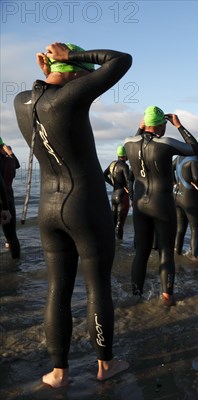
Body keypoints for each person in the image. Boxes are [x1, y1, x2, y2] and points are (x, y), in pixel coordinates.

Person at [13, 42, 130, 387]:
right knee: (98, 287)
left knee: (57, 289)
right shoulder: (73, 97)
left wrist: (51, 67)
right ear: (77, 75)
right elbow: (121, 60)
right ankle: (105, 366)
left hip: (48, 207)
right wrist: (72, 59)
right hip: (85, 203)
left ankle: (57, 373)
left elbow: (47, 89)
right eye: (83, 75)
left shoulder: (22, 101)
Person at [125, 106, 198, 306]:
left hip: (140, 204)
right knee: (166, 251)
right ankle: (167, 297)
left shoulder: (128, 143)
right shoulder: (165, 143)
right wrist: (179, 126)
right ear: (160, 124)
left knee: (141, 252)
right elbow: (194, 149)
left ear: (144, 122)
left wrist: (140, 128)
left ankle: (135, 296)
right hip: (162, 203)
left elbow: (135, 141)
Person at [173, 136, 198, 259]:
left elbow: (168, 168)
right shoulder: (194, 159)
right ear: (197, 146)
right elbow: (197, 178)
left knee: (179, 228)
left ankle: (176, 253)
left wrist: (174, 183)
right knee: (196, 229)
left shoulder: (178, 157)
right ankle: (194, 258)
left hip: (177, 197)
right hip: (190, 198)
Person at [103, 145, 133, 240]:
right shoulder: (124, 166)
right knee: (120, 224)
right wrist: (132, 197)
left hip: (114, 196)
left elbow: (104, 175)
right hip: (122, 197)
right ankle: (120, 245)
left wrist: (113, 184)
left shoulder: (112, 164)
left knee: (114, 222)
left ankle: (113, 245)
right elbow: (128, 181)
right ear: (125, 155)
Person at [0, 137, 20, 257]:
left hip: (4, 201)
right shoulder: (10, 161)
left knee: (11, 235)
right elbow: (17, 164)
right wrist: (10, 152)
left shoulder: (4, 161)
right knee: (11, 235)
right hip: (9, 199)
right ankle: (16, 265)